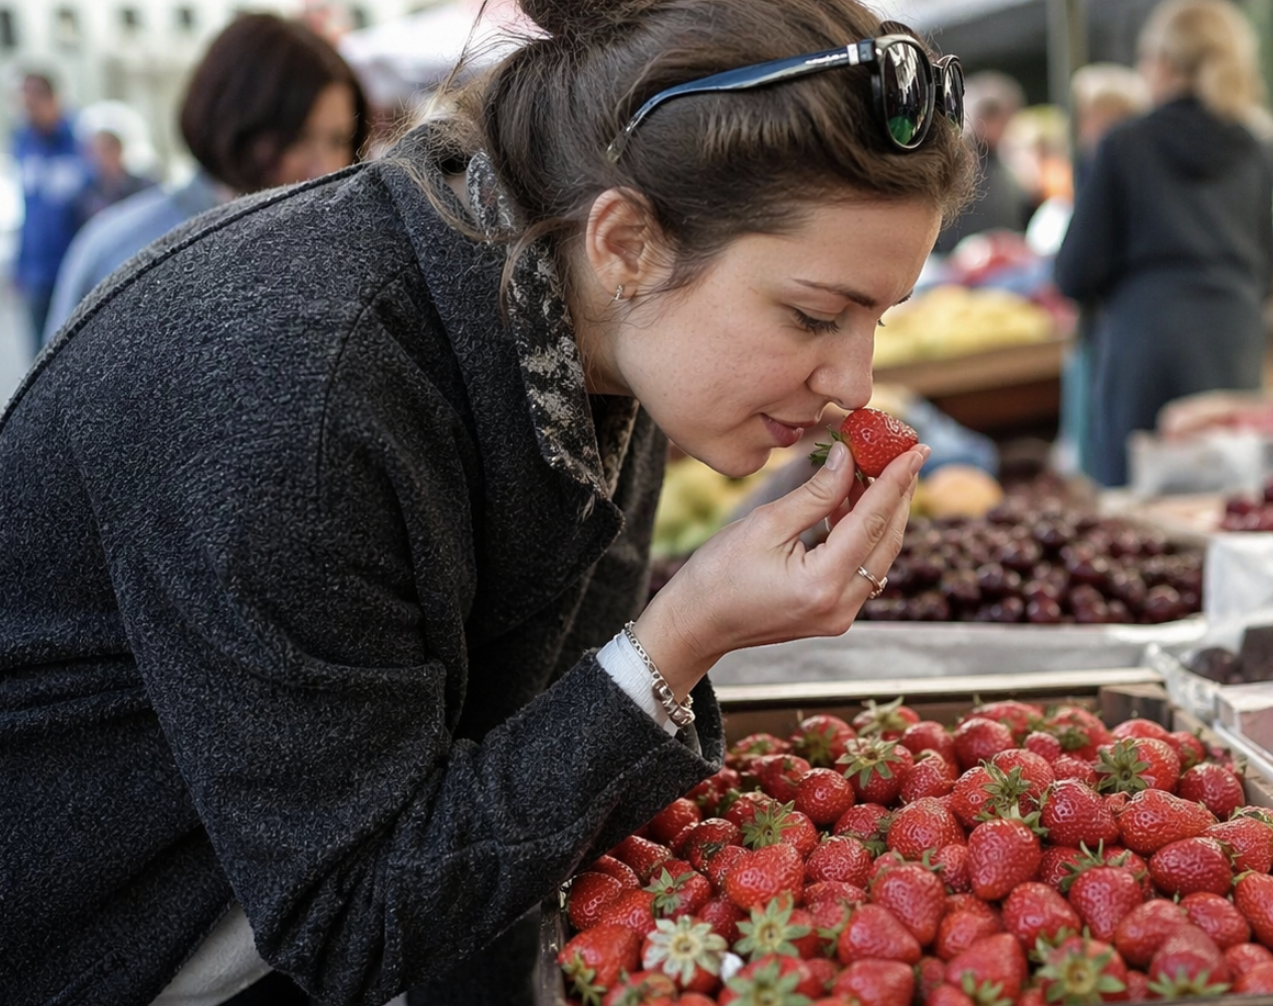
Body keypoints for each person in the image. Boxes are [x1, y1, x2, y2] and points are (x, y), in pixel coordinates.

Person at [0, 0, 969, 1003]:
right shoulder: (302, 392)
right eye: (814, 314)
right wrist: (684, 634)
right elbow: (355, 914)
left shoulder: (603, 336)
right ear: (626, 241)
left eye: (879, 318)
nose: (855, 383)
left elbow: (505, 815)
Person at [1054, 0, 1273, 487]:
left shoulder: (1124, 145)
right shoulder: (1258, 146)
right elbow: (1268, 270)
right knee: (1234, 497)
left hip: (1146, 343)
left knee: (1135, 505)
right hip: (1233, 338)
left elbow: (1074, 272)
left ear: (1166, 63)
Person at [44, 14, 370, 338]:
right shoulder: (121, 252)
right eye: (298, 138)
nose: (324, 167)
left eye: (338, 141)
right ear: (235, 123)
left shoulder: (351, 249)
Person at [1051, 63, 1149, 477]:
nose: (1089, 128)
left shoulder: (1112, 162)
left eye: (1097, 115)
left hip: (1115, 334)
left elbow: (1076, 269)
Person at [12, 71, 89, 353]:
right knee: (40, 356)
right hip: (37, 274)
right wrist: (20, 264)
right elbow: (29, 209)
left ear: (53, 99)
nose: (29, 111)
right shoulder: (23, 141)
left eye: (34, 103)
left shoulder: (82, 139)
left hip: (75, 269)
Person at [934, 70, 1031, 254]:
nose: (1008, 128)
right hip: (957, 258)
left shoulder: (1002, 159)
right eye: (1004, 119)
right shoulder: (958, 159)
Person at [75, 127, 155, 225]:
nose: (100, 158)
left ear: (119, 148)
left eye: (105, 150)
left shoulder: (146, 188)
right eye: (94, 153)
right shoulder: (89, 200)